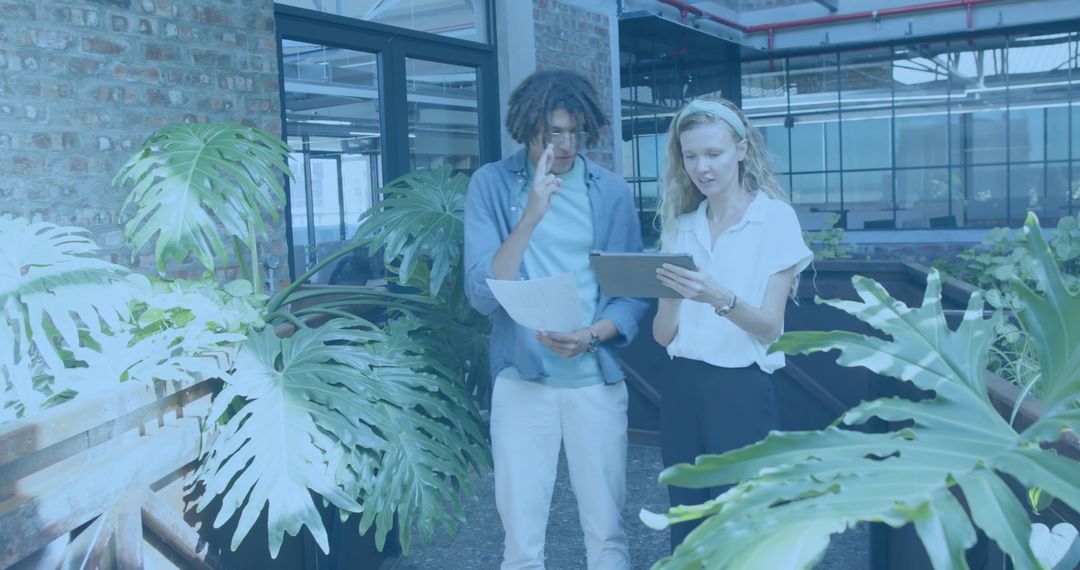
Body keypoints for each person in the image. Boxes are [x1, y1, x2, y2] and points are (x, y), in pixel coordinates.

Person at [463, 69, 647, 570]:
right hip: (523, 381)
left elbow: (630, 296)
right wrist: (532, 215)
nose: (565, 145)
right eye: (553, 132)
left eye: (575, 132)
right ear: (527, 129)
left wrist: (590, 335)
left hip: (594, 378)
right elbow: (482, 292)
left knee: (607, 534)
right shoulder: (492, 185)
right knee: (521, 544)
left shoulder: (607, 190)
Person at [651, 97, 813, 550]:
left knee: (744, 522)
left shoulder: (774, 219)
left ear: (741, 150)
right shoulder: (680, 226)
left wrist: (719, 297)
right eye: (690, 156)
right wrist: (668, 294)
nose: (701, 167)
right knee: (687, 518)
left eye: (713, 153)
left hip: (740, 391)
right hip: (681, 388)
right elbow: (663, 335)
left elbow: (769, 328)